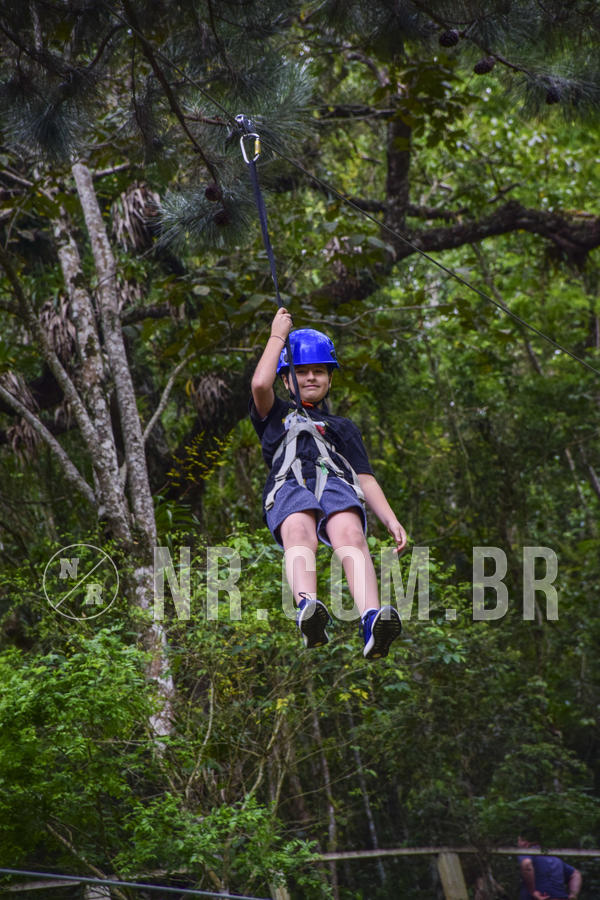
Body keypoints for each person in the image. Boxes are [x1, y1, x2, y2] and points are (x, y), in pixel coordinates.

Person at [250, 307, 407, 658]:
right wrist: (278, 335)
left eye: (318, 371)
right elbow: (260, 383)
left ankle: (371, 618)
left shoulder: (343, 426)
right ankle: (309, 610)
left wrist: (390, 519)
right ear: (286, 379)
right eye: (301, 372)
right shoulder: (274, 415)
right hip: (289, 484)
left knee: (350, 533)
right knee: (298, 530)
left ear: (330, 378)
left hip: (335, 482)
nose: (310, 378)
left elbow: (364, 477)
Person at [517, 835, 582, 900]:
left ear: (525, 842)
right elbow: (575, 874)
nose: (517, 844)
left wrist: (532, 892)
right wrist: (573, 895)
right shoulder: (555, 858)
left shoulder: (526, 852)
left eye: (518, 840)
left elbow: (526, 864)